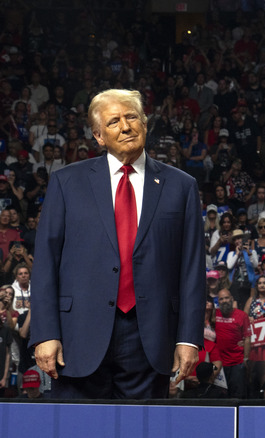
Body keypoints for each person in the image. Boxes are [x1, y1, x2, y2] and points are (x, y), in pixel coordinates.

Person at [31, 89, 204, 399]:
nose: (125, 127)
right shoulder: (66, 182)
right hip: (77, 337)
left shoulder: (182, 186)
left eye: (132, 117)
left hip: (150, 337)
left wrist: (189, 338)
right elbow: (45, 262)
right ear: (99, 136)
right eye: (114, 121)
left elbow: (192, 269)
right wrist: (45, 332)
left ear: (145, 124)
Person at [212, 289, 250, 399]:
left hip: (237, 362)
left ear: (232, 299)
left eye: (226, 298)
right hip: (218, 362)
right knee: (219, 396)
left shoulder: (242, 315)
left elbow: (247, 338)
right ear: (218, 301)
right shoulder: (214, 314)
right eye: (221, 299)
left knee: (237, 395)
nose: (224, 301)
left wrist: (246, 358)